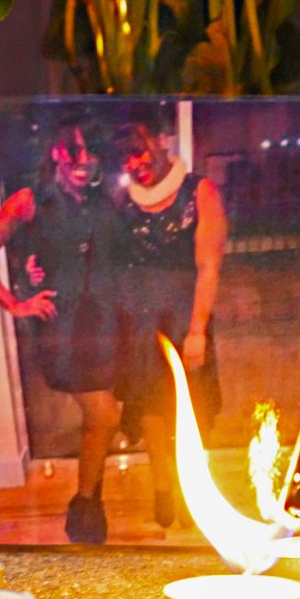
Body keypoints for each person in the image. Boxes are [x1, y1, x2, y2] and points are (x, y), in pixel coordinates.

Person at [0, 117, 121, 544]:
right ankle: (85, 509)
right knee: (103, 414)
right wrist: (16, 302)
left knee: (106, 416)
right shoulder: (29, 200)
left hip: (104, 322)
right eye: (76, 152)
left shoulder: (100, 200)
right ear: (57, 152)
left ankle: (91, 498)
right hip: (63, 329)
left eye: (92, 153)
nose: (85, 162)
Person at [111, 122, 227, 529]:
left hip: (184, 316)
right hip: (139, 321)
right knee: (150, 412)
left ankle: (196, 490)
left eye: (139, 150)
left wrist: (197, 330)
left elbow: (208, 266)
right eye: (125, 156)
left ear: (162, 142)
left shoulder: (200, 192)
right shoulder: (122, 202)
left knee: (192, 409)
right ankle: (164, 484)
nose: (134, 163)